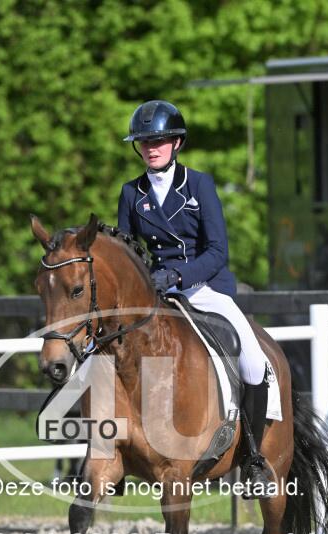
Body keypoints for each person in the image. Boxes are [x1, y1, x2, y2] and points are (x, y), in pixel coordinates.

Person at [118, 99, 272, 494]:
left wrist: (179, 274)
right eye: (144, 142)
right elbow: (126, 252)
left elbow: (218, 251)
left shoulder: (198, 184)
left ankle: (254, 457)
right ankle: (109, 452)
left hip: (203, 287)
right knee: (105, 353)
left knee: (254, 362)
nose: (151, 148)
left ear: (176, 143)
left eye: (159, 141)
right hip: (155, 292)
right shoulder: (131, 193)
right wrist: (147, 280)